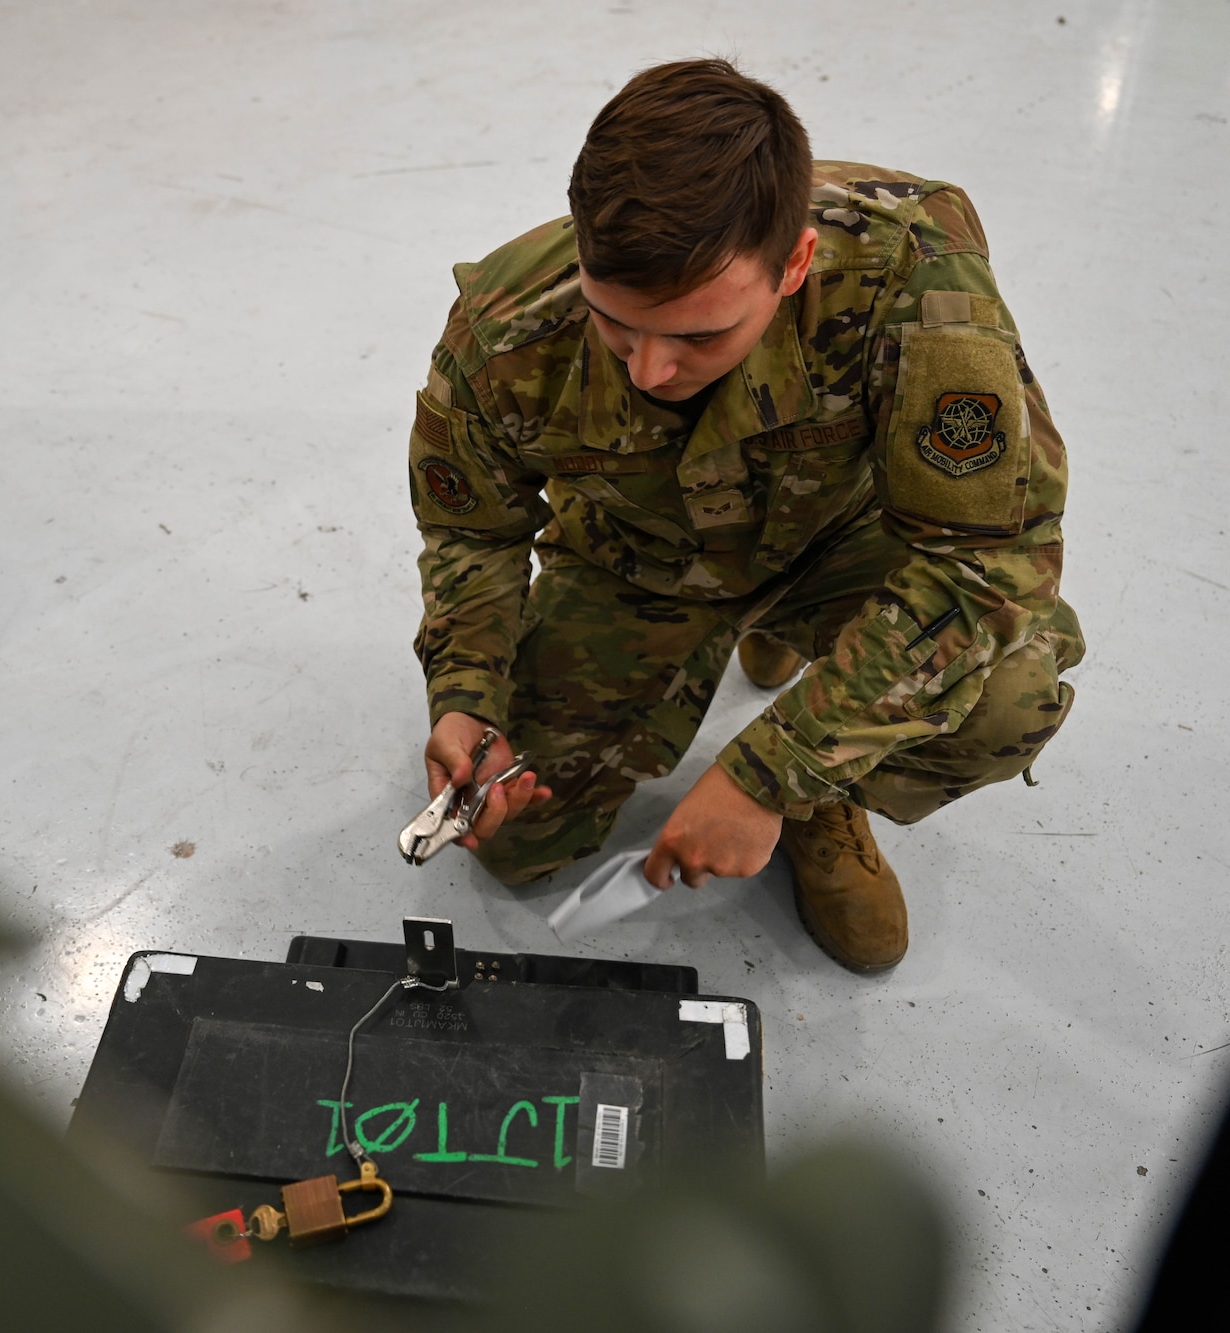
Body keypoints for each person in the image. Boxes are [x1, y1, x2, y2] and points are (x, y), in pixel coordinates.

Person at [409, 58, 1083, 972]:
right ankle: (760, 653)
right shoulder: (506, 328)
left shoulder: (913, 279)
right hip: (638, 561)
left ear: (796, 263)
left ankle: (820, 798)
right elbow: (471, 533)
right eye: (617, 323)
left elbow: (991, 563)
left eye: (697, 335)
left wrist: (776, 771)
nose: (649, 369)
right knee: (520, 841)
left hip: (842, 543)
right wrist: (466, 698)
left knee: (1006, 702)